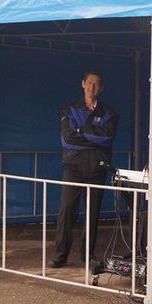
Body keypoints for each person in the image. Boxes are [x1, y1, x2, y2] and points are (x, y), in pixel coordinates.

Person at [49, 70, 118, 268]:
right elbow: (68, 139)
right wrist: (91, 136)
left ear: (101, 88)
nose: (92, 87)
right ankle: (60, 254)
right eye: (89, 83)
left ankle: (88, 255)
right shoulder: (69, 110)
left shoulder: (109, 113)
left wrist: (81, 130)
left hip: (97, 168)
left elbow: (106, 139)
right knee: (67, 210)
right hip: (73, 167)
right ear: (82, 84)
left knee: (92, 212)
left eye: (96, 84)